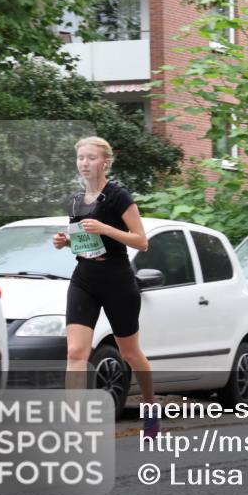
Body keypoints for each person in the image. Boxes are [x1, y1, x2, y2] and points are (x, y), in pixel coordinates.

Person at [52, 137, 158, 437]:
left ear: (105, 162)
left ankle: (150, 407)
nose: (84, 163)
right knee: (75, 351)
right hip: (84, 277)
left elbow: (142, 241)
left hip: (117, 280)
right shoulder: (74, 200)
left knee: (130, 353)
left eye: (90, 158)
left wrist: (107, 228)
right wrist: (65, 242)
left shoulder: (118, 196)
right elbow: (85, 241)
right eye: (80, 158)